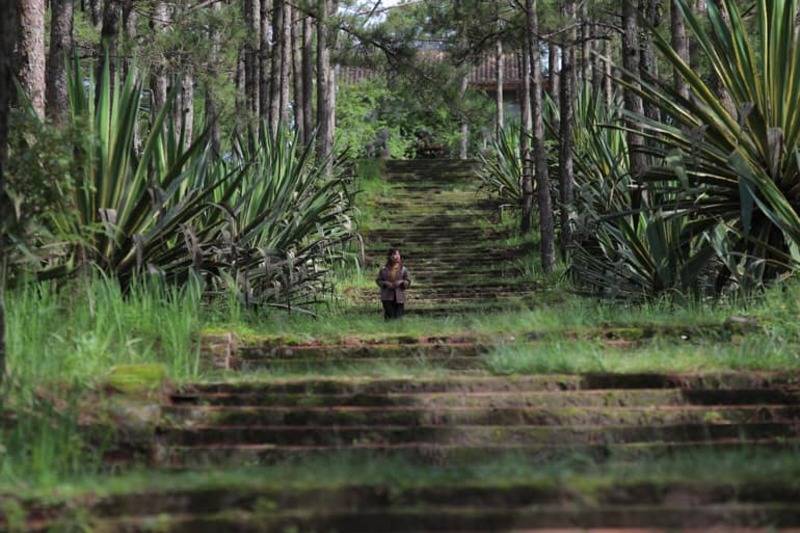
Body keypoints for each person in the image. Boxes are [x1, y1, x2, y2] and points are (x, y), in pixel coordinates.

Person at [376, 248, 411, 320]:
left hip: (399, 296)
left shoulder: (403, 269)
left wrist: (401, 282)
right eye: (394, 254)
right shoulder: (383, 269)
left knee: (398, 317)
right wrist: (386, 283)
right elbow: (378, 280)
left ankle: (398, 330)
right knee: (389, 317)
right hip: (387, 296)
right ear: (390, 256)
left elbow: (408, 281)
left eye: (398, 254)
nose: (397, 256)